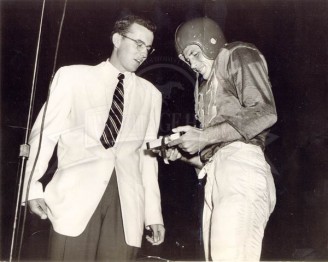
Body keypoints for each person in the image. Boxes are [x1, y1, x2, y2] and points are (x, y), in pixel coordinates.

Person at [22, 15, 165, 261]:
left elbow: (148, 158)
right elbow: (44, 135)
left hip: (126, 206)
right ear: (117, 39)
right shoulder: (72, 77)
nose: (143, 53)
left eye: (148, 48)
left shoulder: (151, 95)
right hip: (75, 199)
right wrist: (31, 188)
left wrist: (153, 214)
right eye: (138, 44)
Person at [160, 17, 277, 261]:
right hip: (218, 175)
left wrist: (202, 136)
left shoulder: (236, 53)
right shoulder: (203, 88)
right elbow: (212, 157)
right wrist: (184, 153)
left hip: (242, 168)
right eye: (186, 59)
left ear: (210, 42)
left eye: (194, 53)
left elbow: (265, 112)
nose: (191, 64)